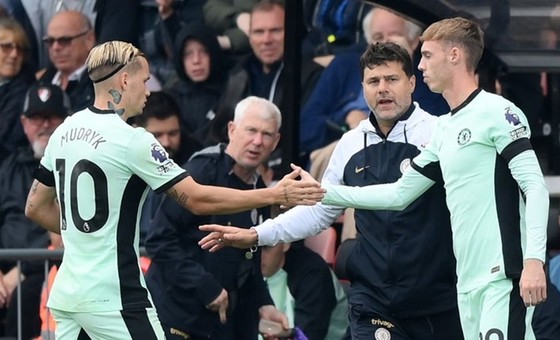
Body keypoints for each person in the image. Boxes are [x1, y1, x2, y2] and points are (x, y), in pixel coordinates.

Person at [24, 40, 324, 340]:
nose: (148, 90)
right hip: (113, 296)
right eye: (144, 81)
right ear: (124, 80)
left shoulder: (64, 131)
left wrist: (88, 236)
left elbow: (35, 207)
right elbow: (195, 198)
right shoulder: (132, 140)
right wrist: (275, 194)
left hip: (67, 293)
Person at [199, 42, 464, 340]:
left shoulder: (440, 133)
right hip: (373, 300)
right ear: (362, 87)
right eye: (373, 81)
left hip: (437, 299)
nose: (383, 89)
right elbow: (320, 211)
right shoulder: (350, 144)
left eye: (392, 79)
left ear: (412, 83)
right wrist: (258, 234)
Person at [317, 17, 549, 339]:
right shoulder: (444, 130)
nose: (421, 65)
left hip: (501, 277)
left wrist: (534, 261)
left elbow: (535, 186)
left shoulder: (498, 111)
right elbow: (398, 195)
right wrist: (320, 193)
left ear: (454, 55)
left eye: (427, 55)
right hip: (465, 284)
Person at [145, 96, 289, 339]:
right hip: (179, 317)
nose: (257, 142)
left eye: (266, 134)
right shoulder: (200, 171)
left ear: (275, 142)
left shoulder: (259, 187)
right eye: (251, 130)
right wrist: (205, 287)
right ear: (232, 130)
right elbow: (158, 241)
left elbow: (249, 260)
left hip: (225, 323)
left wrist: (264, 305)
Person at [0, 82, 70, 339]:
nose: (45, 125)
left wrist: (21, 271)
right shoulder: (8, 168)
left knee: (26, 295)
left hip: (48, 270)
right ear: (23, 122)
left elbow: (66, 232)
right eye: (36, 118)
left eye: (52, 117)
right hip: (5, 271)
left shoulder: (77, 165)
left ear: (67, 120)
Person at [133, 91, 200, 245]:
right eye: (157, 135)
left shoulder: (197, 160)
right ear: (138, 130)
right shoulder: (121, 160)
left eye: (173, 133)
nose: (166, 142)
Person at [260, 242, 349, 340]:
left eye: (266, 247)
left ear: (285, 243)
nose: (258, 256)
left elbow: (306, 336)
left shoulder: (313, 273)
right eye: (252, 248)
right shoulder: (247, 267)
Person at [163, 22, 227, 144]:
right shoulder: (171, 97)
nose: (196, 60)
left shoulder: (231, 90)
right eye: (188, 54)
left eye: (203, 51)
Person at [36, 10, 95, 112]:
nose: (55, 47)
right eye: (50, 41)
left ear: (89, 39)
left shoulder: (101, 84)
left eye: (64, 40)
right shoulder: (40, 82)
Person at [0, 17, 35, 163]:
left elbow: (7, 141)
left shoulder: (25, 93)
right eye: (6, 47)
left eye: (20, 49)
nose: (14, 55)